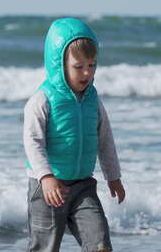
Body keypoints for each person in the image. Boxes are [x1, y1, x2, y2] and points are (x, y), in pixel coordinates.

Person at [23, 18, 125, 252]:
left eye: (92, 65)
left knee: (100, 243)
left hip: (83, 186)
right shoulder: (42, 99)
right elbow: (32, 142)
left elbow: (105, 139)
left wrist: (113, 176)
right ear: (60, 64)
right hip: (48, 188)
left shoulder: (93, 100)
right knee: (44, 248)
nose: (87, 72)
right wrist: (46, 176)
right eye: (78, 66)